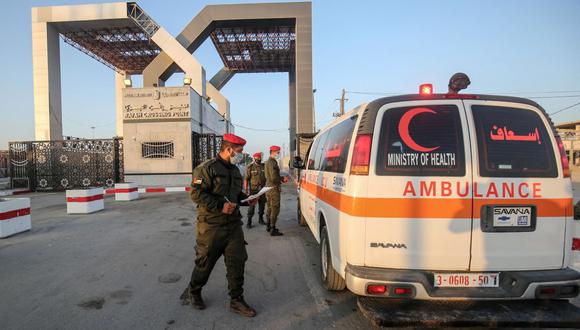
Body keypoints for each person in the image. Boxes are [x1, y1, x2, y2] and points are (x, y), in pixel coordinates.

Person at [180, 133, 258, 318]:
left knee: (237, 262)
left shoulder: (235, 170)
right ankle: (194, 290)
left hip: (233, 225)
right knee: (205, 263)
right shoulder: (206, 169)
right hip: (211, 226)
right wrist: (220, 205)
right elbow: (196, 194)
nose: (241, 153)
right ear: (229, 149)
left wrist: (248, 200)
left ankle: (236, 300)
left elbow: (236, 195)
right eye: (239, 150)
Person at [264, 145, 288, 236]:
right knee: (275, 208)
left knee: (270, 207)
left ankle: (269, 225)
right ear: (273, 152)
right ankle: (272, 228)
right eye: (278, 152)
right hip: (273, 188)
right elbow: (274, 178)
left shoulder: (268, 162)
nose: (278, 154)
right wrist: (282, 179)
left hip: (269, 188)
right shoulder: (272, 162)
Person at [244, 152, 266, 228]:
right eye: (257, 158)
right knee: (252, 206)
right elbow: (246, 179)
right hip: (254, 190)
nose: (258, 159)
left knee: (262, 205)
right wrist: (246, 190)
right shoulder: (250, 167)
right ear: (254, 158)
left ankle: (261, 219)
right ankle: (249, 221)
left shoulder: (264, 166)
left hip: (262, 190)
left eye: (259, 158)